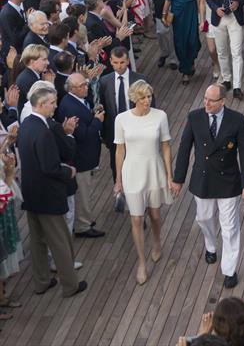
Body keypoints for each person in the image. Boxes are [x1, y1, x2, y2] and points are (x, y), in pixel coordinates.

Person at [172, 84, 244, 289]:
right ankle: (210, 245)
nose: (206, 103)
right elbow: (184, 149)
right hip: (203, 180)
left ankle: (229, 270)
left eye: (211, 100)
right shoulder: (194, 117)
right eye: (205, 99)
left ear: (222, 101)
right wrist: (178, 179)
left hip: (228, 181)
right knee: (204, 217)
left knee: (230, 228)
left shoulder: (237, 120)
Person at [17, 84, 87, 298]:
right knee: (60, 241)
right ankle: (70, 285)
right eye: (52, 103)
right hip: (48, 196)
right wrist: (69, 172)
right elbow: (50, 167)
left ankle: (41, 281)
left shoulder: (27, 124)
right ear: (41, 104)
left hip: (31, 193)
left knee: (37, 241)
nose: (55, 107)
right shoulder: (44, 132)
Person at [113, 79, 173, 285]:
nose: (147, 101)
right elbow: (119, 151)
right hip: (132, 173)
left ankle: (157, 242)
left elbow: (166, 147)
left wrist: (169, 175)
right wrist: (118, 180)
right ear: (134, 99)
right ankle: (141, 262)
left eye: (149, 97)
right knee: (136, 219)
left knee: (155, 215)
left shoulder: (160, 116)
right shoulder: (121, 119)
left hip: (154, 170)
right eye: (143, 98)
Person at [56, 72, 105, 238]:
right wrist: (97, 120)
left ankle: (84, 219)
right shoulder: (70, 108)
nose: (86, 87)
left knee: (86, 190)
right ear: (71, 89)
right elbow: (83, 135)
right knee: (83, 192)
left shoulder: (75, 101)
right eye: (82, 86)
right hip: (80, 159)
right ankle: (83, 225)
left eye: (86, 83)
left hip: (84, 156)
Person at [98, 46, 149, 179]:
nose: (119, 66)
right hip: (114, 132)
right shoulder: (104, 81)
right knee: (116, 164)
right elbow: (104, 106)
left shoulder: (140, 79)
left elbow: (149, 106)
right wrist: (105, 134)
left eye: (122, 62)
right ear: (110, 61)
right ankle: (119, 189)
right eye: (115, 62)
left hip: (137, 129)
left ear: (127, 61)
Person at [162, 0, 201, 84]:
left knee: (193, 40)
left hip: (192, 11)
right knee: (180, 42)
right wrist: (164, 15)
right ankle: (185, 70)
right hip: (178, 14)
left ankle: (191, 61)